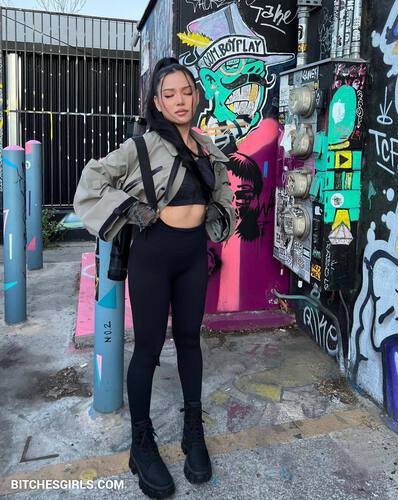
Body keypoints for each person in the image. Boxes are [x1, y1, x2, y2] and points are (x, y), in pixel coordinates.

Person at [73, 57, 236, 499]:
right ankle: (141, 444)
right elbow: (91, 182)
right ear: (157, 103)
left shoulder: (207, 148)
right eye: (169, 94)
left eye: (186, 91)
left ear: (196, 96)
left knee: (189, 341)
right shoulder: (141, 147)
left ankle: (192, 431)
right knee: (146, 349)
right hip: (152, 255)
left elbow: (223, 191)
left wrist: (220, 213)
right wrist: (131, 209)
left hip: (192, 256)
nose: (179, 100)